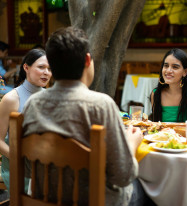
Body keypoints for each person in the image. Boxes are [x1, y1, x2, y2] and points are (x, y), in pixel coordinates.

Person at [22, 26, 143, 206]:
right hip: (93, 201)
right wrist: (131, 143)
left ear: (52, 65)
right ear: (88, 60)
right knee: (144, 188)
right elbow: (123, 176)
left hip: (46, 198)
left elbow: (28, 169)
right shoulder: (101, 105)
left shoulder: (33, 104)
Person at [0, 48, 52, 192]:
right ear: (26, 67)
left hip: (45, 167)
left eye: (49, 68)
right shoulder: (11, 99)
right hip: (18, 168)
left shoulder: (50, 97)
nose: (46, 72)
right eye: (41, 67)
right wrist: (21, 158)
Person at [150, 48, 187, 125]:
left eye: (175, 67)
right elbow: (156, 128)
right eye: (166, 66)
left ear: (185, 72)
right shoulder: (156, 94)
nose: (168, 71)